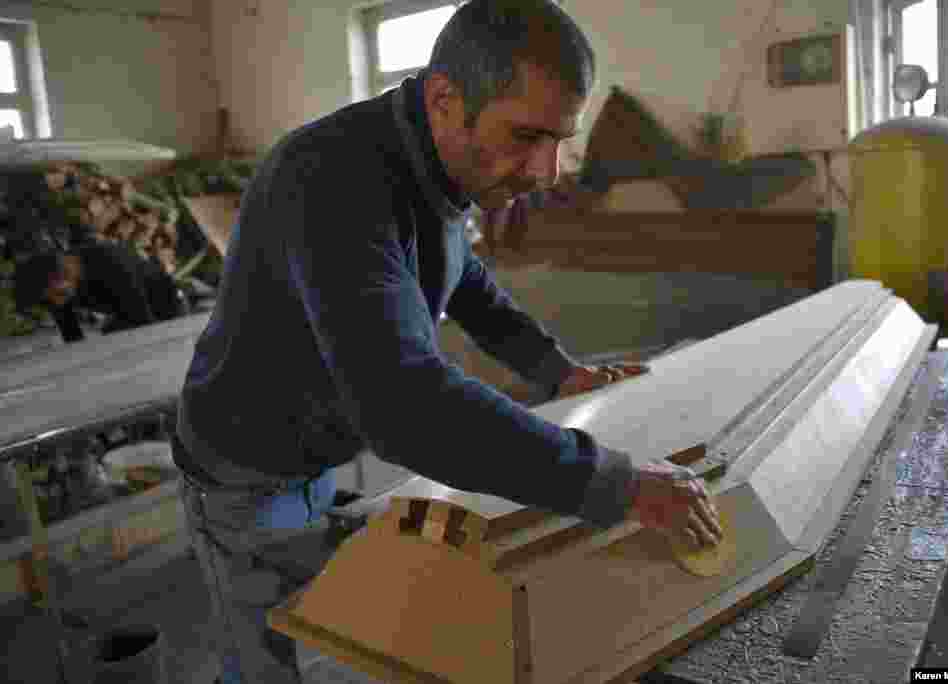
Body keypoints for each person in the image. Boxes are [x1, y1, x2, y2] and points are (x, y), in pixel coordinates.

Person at [171, 1, 723, 682]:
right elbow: (405, 408)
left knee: (328, 613)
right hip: (241, 465)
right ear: (443, 99)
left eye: (559, 139)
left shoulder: (433, 168)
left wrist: (556, 371)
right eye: (526, 136)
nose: (546, 171)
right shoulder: (333, 180)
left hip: (312, 450)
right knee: (266, 656)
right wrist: (616, 484)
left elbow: (464, 279)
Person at [13, 241, 186, 343]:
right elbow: (72, 336)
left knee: (114, 335)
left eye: (56, 295)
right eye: (49, 300)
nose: (57, 303)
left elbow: (143, 324)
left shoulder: (111, 263)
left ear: (66, 270)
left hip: (165, 307)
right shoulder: (57, 286)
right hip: (127, 314)